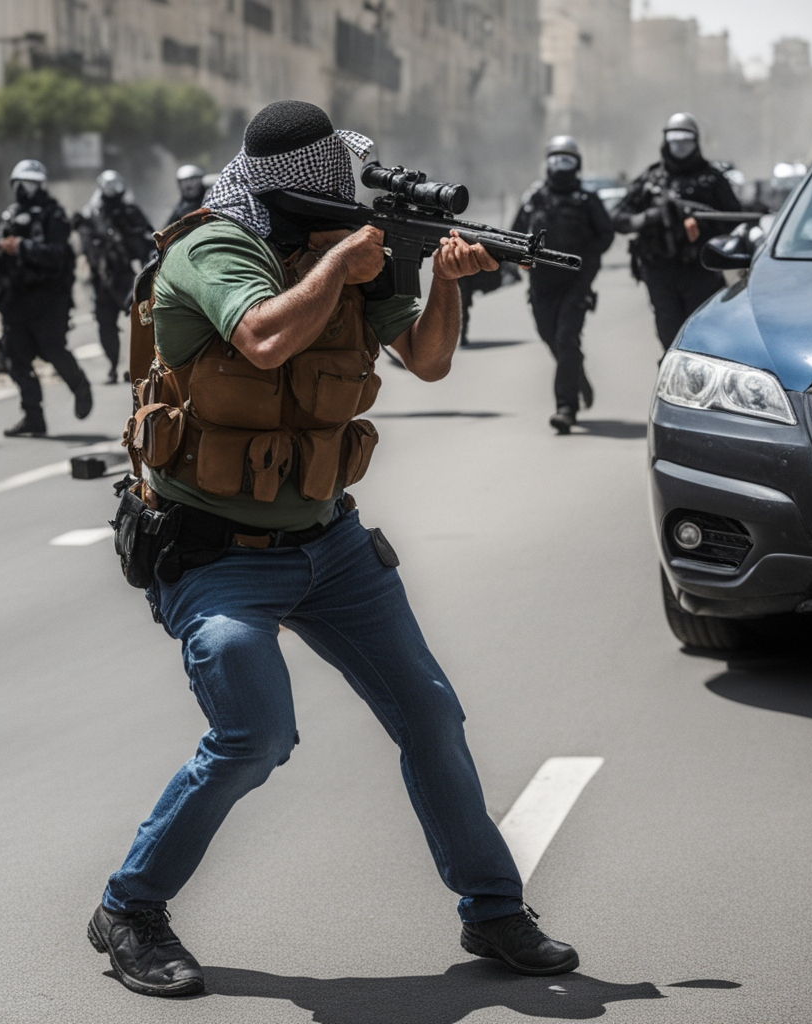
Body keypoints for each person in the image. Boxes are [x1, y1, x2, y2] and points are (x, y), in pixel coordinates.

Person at [89, 99, 579, 999]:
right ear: (290, 192)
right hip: (215, 553)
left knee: (429, 713)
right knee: (255, 735)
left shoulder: (350, 255)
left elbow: (426, 362)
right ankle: (129, 906)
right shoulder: (212, 249)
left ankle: (493, 909)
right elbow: (265, 335)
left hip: (332, 543)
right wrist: (346, 263)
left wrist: (445, 280)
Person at [613, 112, 741, 350]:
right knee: (669, 335)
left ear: (696, 142)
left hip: (701, 272)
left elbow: (734, 220)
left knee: (700, 338)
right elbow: (618, 218)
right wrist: (649, 217)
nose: (680, 147)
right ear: (666, 142)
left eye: (686, 141)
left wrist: (700, 219)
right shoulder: (652, 178)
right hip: (660, 272)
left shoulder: (712, 179)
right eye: (675, 141)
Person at [0, 160, 92, 437]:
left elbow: (59, 255)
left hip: (47, 299)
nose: (23, 189)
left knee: (52, 349)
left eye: (29, 183)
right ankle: (33, 416)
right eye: (19, 183)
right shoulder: (8, 215)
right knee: (14, 356)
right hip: (15, 299)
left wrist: (23, 247)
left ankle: (79, 386)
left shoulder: (52, 215)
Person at [513, 135, 614, 433]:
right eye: (556, 160)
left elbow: (605, 235)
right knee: (550, 336)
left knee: (566, 338)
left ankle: (566, 407)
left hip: (575, 284)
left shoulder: (587, 201)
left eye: (567, 161)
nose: (561, 167)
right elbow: (516, 233)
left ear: (577, 165)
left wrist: (588, 262)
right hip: (541, 285)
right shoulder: (534, 199)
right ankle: (576, 374)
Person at [75, 170, 154, 383]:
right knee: (104, 323)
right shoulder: (91, 214)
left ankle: (138, 365)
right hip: (101, 279)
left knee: (140, 319)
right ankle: (113, 366)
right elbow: (84, 246)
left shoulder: (129, 211)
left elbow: (148, 241)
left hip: (127, 276)